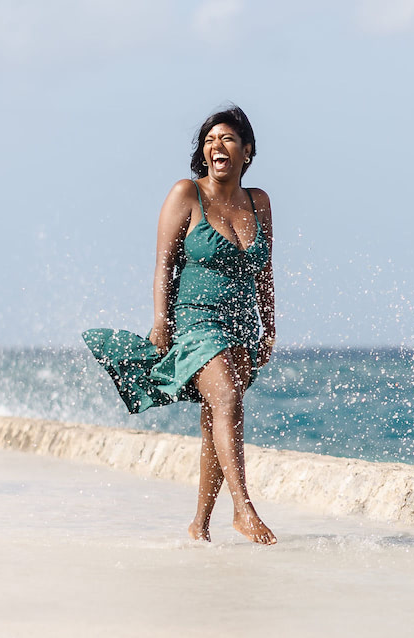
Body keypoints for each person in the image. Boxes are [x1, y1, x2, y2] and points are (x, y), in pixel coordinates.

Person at [83, 106, 277, 544]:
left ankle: (200, 525)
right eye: (210, 140)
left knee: (218, 413)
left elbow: (265, 271)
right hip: (196, 321)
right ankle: (243, 509)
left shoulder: (259, 202)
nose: (217, 146)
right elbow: (163, 264)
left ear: (246, 152)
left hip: (240, 324)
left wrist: (270, 326)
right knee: (226, 396)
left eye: (227, 139)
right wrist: (159, 322)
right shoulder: (186, 193)